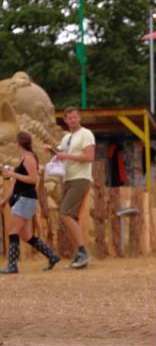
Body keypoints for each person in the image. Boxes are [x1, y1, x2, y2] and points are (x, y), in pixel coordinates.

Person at [0, 131, 60, 274]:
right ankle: (52, 256)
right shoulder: (23, 158)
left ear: (18, 143)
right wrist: (5, 200)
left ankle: (12, 265)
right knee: (26, 236)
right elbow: (16, 183)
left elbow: (34, 180)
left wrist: (13, 174)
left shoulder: (29, 158)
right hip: (22, 198)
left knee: (13, 231)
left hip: (26, 199)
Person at [44, 107, 95, 268]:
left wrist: (65, 156)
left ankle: (82, 251)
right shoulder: (66, 137)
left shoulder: (86, 134)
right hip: (67, 179)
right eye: (70, 118)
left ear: (79, 118)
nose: (73, 120)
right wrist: (50, 150)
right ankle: (80, 255)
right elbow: (59, 154)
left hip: (80, 178)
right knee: (70, 217)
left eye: (75, 117)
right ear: (65, 120)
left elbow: (89, 157)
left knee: (65, 214)